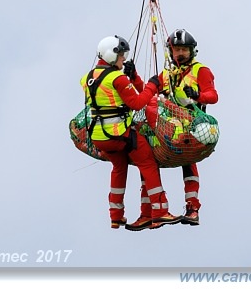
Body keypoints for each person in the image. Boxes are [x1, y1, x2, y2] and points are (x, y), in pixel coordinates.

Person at [81, 34, 181, 231]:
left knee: (119, 168)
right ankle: (160, 212)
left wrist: (132, 78)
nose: (123, 59)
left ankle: (116, 216)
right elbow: (136, 103)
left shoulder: (88, 78)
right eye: (121, 56)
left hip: (99, 137)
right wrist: (153, 84)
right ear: (111, 55)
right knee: (147, 162)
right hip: (118, 134)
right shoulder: (116, 77)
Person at [124, 28, 218, 226]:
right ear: (170, 51)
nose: (180, 53)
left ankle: (193, 207)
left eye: (184, 49)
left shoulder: (201, 70)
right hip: (167, 126)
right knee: (145, 155)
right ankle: (148, 212)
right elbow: (147, 92)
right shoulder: (167, 73)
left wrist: (197, 95)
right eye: (177, 50)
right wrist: (134, 78)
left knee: (188, 159)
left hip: (192, 126)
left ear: (192, 51)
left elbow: (213, 96)